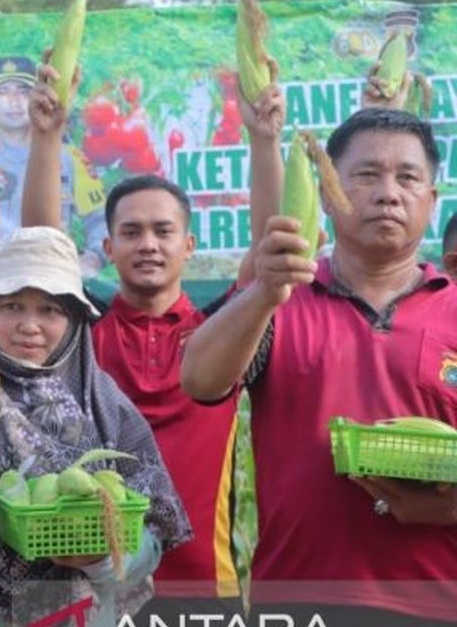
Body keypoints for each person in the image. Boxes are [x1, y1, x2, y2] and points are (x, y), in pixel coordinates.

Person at [21, 59, 286, 619]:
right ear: (108, 248)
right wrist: (46, 137)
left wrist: (264, 142)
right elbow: (42, 244)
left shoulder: (223, 331)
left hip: (200, 583)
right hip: (83, 581)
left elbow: (271, 252)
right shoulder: (82, 330)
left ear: (189, 246)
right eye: (130, 232)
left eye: (164, 231)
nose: (148, 244)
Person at [181, 108, 457, 626]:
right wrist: (264, 290)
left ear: (432, 200)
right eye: (367, 175)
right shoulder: (277, 301)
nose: (388, 193)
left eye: (407, 177)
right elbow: (199, 379)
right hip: (302, 597)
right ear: (329, 194)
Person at [0, 226, 190, 627]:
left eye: (50, 310)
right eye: (12, 306)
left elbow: (149, 538)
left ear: (74, 320)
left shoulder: (107, 409)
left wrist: (100, 556)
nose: (29, 324)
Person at [0, 56, 107, 276]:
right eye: (2, 92)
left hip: (55, 279)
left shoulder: (70, 158)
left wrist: (94, 258)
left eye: (23, 91)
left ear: (38, 95)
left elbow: (102, 220)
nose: (13, 101)